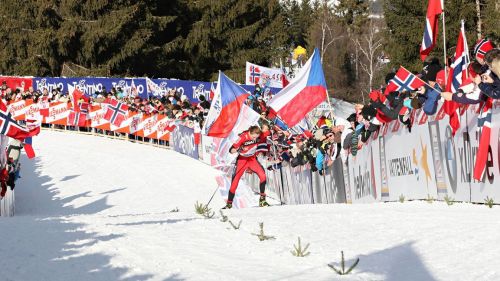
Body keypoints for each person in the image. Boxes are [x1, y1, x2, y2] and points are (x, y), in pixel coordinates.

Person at [223, 125, 270, 209]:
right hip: (242, 160)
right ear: (250, 133)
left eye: (256, 137)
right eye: (253, 137)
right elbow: (231, 150)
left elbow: (268, 131)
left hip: (252, 159)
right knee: (235, 182)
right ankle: (229, 204)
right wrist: (238, 149)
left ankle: (262, 200)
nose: (254, 139)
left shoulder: (258, 135)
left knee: (263, 175)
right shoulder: (242, 137)